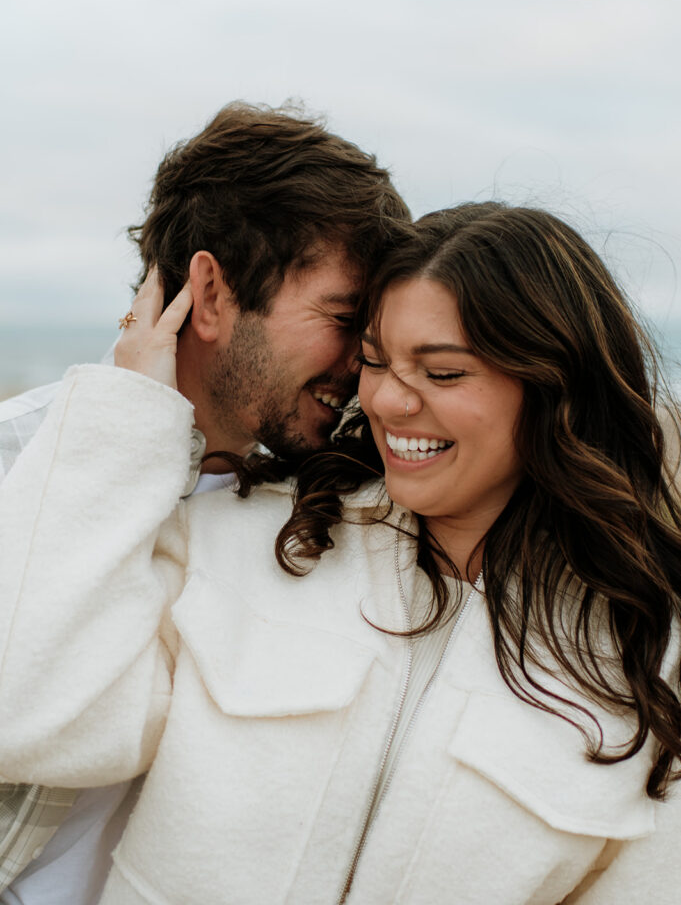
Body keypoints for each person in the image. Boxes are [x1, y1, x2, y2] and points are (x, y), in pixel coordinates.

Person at [1, 202, 681, 904]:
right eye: (375, 362)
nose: (387, 401)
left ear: (552, 388)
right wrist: (125, 410)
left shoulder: (647, 646)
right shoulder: (245, 537)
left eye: (441, 374)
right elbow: (30, 723)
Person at [0, 100, 410, 904]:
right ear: (213, 293)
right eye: (341, 318)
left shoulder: (339, 505)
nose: (361, 361)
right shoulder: (16, 462)